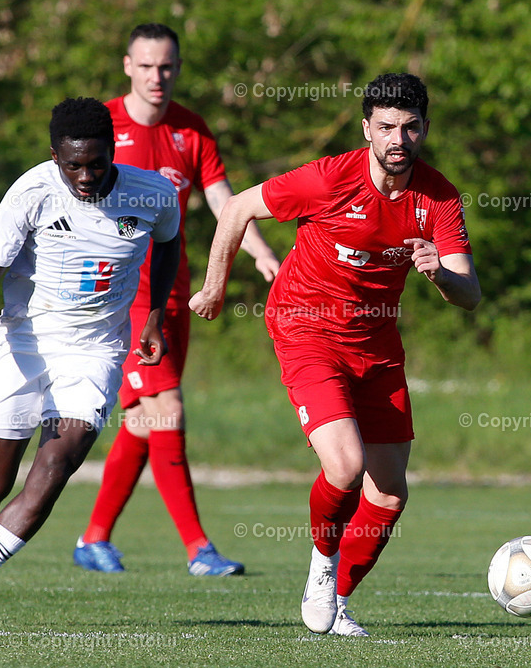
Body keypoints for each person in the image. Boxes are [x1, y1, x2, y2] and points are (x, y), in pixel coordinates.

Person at [189, 73, 481, 636]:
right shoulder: (329, 178)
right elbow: (236, 209)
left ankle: (339, 599)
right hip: (306, 327)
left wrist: (439, 273)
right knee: (345, 467)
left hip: (377, 343)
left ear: (425, 129)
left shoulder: (439, 198)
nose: (399, 138)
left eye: (411, 127)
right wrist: (215, 288)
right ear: (367, 128)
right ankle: (322, 567)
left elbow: (469, 295)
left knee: (390, 491)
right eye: (388, 127)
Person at [0, 97, 181, 625]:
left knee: (56, 464)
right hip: (24, 344)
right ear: (54, 156)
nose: (85, 176)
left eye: (96, 163)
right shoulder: (31, 192)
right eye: (72, 165)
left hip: (97, 350)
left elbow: (170, 245)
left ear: (113, 151)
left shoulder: (154, 193)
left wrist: (155, 315)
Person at [72, 23, 280, 577]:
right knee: (166, 412)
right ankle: (198, 549)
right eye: (146, 66)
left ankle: (93, 539)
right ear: (127, 66)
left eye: (166, 67)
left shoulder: (192, 131)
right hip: (119, 295)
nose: (156, 76)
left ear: (176, 68)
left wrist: (258, 252)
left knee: (145, 423)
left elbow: (224, 202)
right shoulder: (103, 127)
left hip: (172, 292)